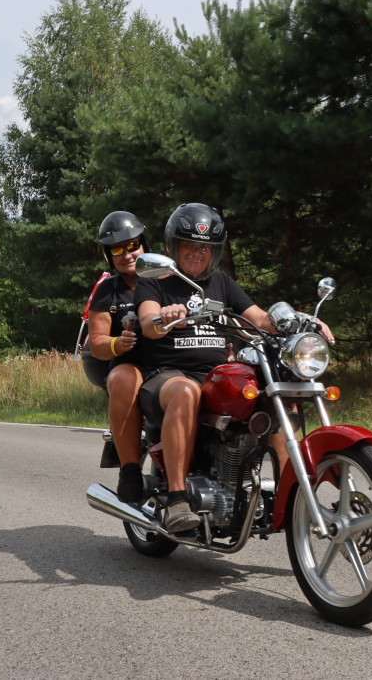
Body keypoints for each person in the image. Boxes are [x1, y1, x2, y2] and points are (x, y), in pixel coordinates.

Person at [134, 203, 285, 532]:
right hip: (166, 377)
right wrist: (164, 317)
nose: (198, 253)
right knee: (186, 391)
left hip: (213, 378)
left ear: (214, 251)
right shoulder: (156, 280)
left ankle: (289, 499)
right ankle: (176, 500)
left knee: (273, 398)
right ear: (174, 246)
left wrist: (297, 321)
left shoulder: (222, 282)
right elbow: (147, 321)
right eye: (190, 244)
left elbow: (257, 318)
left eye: (205, 247)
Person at [86, 211, 150, 503]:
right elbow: (96, 342)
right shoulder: (107, 290)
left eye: (133, 245)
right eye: (117, 249)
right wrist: (117, 344)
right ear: (108, 255)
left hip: (174, 363)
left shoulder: (167, 279)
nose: (127, 254)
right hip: (132, 366)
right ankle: (130, 470)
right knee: (124, 377)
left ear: (144, 244)